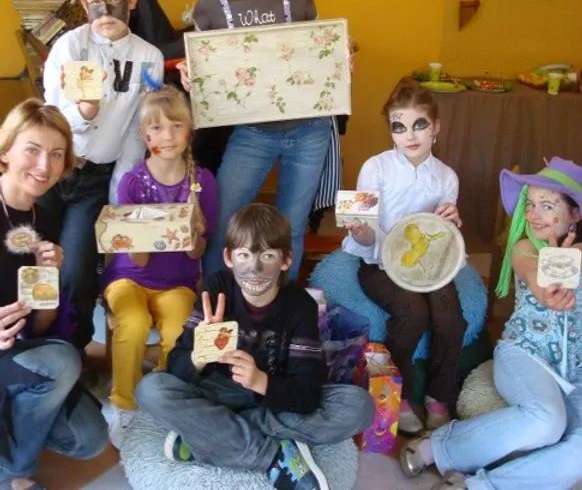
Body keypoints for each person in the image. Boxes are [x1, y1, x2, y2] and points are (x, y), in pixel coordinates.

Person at [136, 203, 374, 490]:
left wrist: (261, 381)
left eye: (268, 256)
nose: (255, 268)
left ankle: (209, 436)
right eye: (244, 255)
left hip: (273, 396)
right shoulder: (216, 289)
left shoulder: (300, 305)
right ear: (229, 257)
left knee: (358, 407)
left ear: (286, 260)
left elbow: (308, 393)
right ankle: (270, 457)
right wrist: (200, 353)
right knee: (150, 390)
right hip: (215, 392)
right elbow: (176, 367)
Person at [401, 156, 582, 490]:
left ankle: (478, 487)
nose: (534, 214)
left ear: (575, 214)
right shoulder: (526, 248)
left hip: (577, 374)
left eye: (547, 206)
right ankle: (435, 447)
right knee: (547, 421)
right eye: (530, 204)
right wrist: (551, 292)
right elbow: (537, 279)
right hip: (526, 354)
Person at [179, 0, 339, 281]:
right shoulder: (210, 6)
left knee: (290, 227)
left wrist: (337, 61)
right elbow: (208, 71)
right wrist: (193, 78)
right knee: (223, 221)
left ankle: (279, 303)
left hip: (309, 130)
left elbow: (316, 57)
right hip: (252, 133)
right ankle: (217, 298)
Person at [42, 0, 164, 349]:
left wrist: (119, 189)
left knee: (77, 270)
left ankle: (73, 350)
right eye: (96, 3)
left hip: (97, 178)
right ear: (83, 4)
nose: (106, 12)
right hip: (52, 170)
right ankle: (29, 341)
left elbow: (136, 130)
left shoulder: (149, 57)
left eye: (114, 1)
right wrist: (84, 112)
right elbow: (51, 114)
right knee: (32, 258)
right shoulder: (70, 46)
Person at [342, 85, 466, 435]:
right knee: (413, 313)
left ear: (436, 127)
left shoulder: (446, 176)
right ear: (391, 131)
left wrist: (451, 221)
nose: (410, 136)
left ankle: (439, 396)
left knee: (450, 318)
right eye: (399, 127)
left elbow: (441, 236)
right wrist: (361, 232)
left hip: (428, 265)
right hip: (378, 262)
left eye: (419, 125)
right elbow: (365, 234)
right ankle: (402, 395)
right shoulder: (376, 168)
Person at [0, 99, 107, 490]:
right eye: (32, 149)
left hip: (16, 356)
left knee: (89, 438)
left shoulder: (43, 219)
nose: (45, 166)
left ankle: (14, 429)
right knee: (61, 363)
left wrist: (50, 280)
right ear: (5, 151)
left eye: (57, 154)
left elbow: (41, 325)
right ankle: (13, 475)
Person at [101, 86, 217, 448]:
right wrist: (143, 238)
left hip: (177, 283)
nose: (167, 136)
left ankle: (166, 401)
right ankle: (124, 404)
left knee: (179, 330)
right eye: (157, 128)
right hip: (129, 278)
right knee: (133, 323)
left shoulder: (203, 181)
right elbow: (135, 259)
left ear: (189, 131)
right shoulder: (133, 182)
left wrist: (194, 234)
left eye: (176, 126)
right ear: (144, 135)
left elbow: (198, 254)